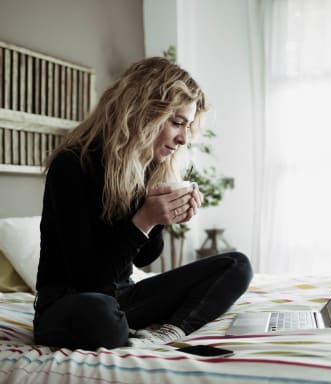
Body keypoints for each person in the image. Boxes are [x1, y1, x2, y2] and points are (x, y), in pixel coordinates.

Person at [33, 56, 253, 350]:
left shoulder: (144, 167)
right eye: (177, 123)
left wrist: (161, 217)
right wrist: (145, 220)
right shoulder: (72, 165)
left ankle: (166, 333)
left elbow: (143, 258)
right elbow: (89, 281)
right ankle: (124, 329)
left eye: (186, 127)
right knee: (100, 314)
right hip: (69, 304)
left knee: (237, 264)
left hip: (123, 300)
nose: (183, 139)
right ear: (143, 113)